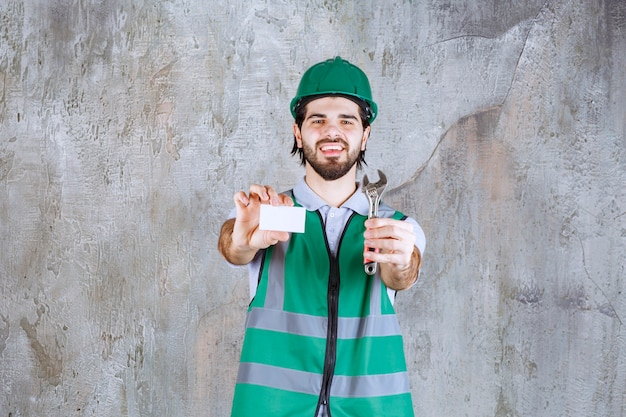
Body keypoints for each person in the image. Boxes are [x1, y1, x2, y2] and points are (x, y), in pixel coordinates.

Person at [218, 56, 426, 417]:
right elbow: (234, 246)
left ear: (365, 134)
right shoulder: (272, 215)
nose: (332, 132)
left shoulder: (396, 227)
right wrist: (241, 239)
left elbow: (401, 274)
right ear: (298, 132)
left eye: (347, 121)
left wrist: (402, 260)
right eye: (318, 120)